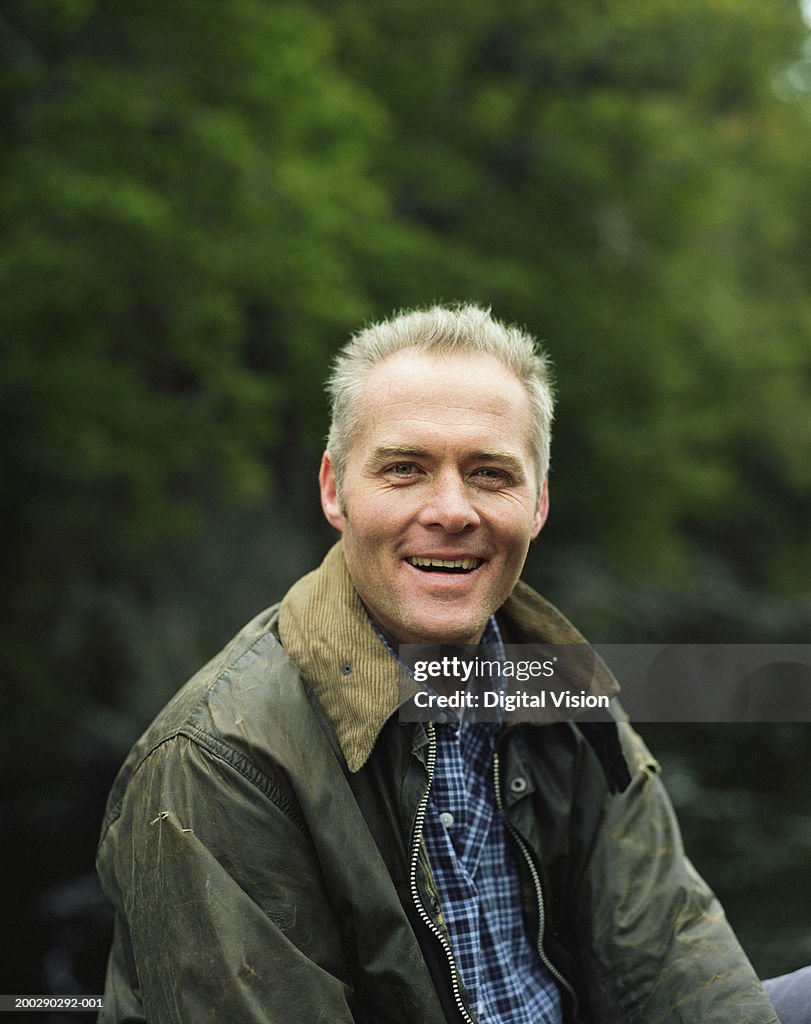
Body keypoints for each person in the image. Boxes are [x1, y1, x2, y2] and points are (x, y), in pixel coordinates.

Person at [96, 305, 800, 1023]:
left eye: (491, 474)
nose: (452, 510)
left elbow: (673, 950)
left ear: (538, 504)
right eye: (404, 469)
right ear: (335, 489)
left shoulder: (563, 683)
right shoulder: (216, 762)